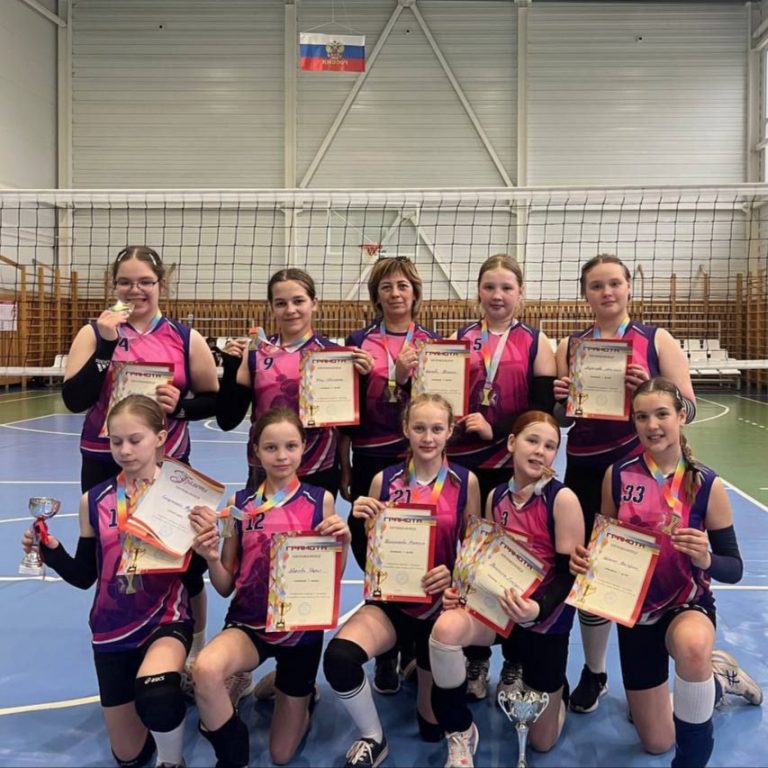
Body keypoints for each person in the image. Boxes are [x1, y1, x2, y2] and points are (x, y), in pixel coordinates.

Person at [570, 377, 762, 767]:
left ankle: (692, 759)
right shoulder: (617, 476)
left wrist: (706, 558)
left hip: (686, 605)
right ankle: (719, 679)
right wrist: (587, 562)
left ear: (681, 417)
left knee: (692, 647)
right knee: (656, 741)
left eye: (661, 414)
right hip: (637, 614)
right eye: (642, 417)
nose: (652, 425)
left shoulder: (706, 484)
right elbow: (604, 546)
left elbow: (734, 569)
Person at [22, 395, 219, 768]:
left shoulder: (182, 497)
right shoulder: (93, 500)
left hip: (165, 620)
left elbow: (194, 575)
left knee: (158, 695)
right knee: (128, 757)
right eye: (116, 441)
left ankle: (171, 759)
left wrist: (204, 543)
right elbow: (85, 577)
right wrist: (50, 550)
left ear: (160, 438)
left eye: (135, 440)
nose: (125, 450)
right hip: (111, 628)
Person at [61, 246, 220, 681]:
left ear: (160, 284)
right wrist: (106, 346)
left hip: (168, 465)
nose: (136, 290)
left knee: (184, 565)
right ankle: (127, 640)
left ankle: (192, 650)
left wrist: (180, 406)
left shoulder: (185, 337)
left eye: (145, 282)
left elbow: (215, 401)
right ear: (113, 286)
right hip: (104, 459)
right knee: (111, 559)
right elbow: (74, 399)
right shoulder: (94, 333)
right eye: (125, 282)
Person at [553, 253, 697, 714]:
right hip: (585, 471)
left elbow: (688, 407)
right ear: (585, 294)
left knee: (646, 574)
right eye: (597, 285)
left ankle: (653, 679)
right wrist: (561, 402)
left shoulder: (656, 339)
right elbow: (563, 422)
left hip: (642, 473)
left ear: (629, 286)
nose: (607, 292)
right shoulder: (571, 345)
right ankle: (595, 672)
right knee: (591, 572)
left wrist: (651, 388)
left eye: (614, 283)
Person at [323, 393, 481, 768]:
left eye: (437, 429)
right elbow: (370, 551)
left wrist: (453, 574)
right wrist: (359, 524)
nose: (428, 437)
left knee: (432, 727)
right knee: (339, 659)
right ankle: (373, 738)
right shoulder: (383, 480)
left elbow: (475, 551)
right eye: (419, 428)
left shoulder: (466, 482)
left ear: (450, 432)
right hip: (391, 604)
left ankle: (423, 671)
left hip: (437, 609)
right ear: (406, 430)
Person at [190, 407, 351, 768]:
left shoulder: (320, 501)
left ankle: (297, 690)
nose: (281, 456)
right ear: (256, 452)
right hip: (249, 624)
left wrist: (344, 541)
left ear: (303, 447)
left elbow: (330, 580)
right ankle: (234, 754)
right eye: (271, 447)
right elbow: (225, 586)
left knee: (281, 755)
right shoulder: (239, 504)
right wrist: (211, 557)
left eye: (291, 446)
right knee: (204, 669)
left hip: (299, 632)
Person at [428, 410, 584, 768]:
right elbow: (483, 559)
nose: (540, 451)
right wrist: (460, 591)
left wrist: (537, 609)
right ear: (512, 443)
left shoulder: (562, 500)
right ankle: (460, 729)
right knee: (446, 629)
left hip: (543, 622)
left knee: (542, 743)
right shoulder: (496, 496)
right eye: (532, 440)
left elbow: (568, 576)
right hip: (499, 615)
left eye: (550, 446)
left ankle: (556, 691)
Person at [448, 254, 557, 700]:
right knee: (474, 562)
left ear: (520, 293)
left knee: (516, 563)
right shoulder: (459, 339)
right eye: (489, 287)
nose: (497, 295)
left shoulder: (536, 342)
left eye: (506, 287)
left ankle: (514, 660)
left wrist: (497, 431)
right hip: (464, 466)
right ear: (478, 291)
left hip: (511, 467)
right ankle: (477, 657)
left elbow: (542, 410)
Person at [339, 255, 438, 694]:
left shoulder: (432, 344)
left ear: (415, 293)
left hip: (417, 463)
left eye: (402, 286)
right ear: (376, 295)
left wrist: (403, 379)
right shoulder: (358, 341)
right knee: (372, 551)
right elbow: (345, 410)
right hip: (369, 458)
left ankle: (414, 644)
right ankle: (385, 650)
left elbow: (438, 407)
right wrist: (344, 462)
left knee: (415, 551)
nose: (395, 294)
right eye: (386, 287)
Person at [216, 267, 372, 493]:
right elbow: (227, 420)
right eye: (281, 303)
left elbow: (351, 429)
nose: (290, 310)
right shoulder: (256, 353)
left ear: (314, 303)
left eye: (298, 301)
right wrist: (231, 369)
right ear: (271, 307)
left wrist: (363, 380)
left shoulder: (335, 356)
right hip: (266, 469)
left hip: (318, 469)